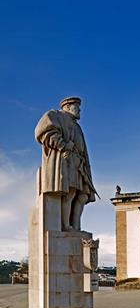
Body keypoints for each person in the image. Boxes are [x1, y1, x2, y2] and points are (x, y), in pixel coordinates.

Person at [35, 97, 97, 231]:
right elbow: (43, 131)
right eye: (77, 107)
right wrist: (63, 145)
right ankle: (66, 226)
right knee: (70, 192)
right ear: (68, 106)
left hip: (79, 163)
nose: (79, 110)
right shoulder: (55, 115)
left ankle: (76, 226)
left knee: (83, 195)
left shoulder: (77, 126)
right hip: (67, 160)